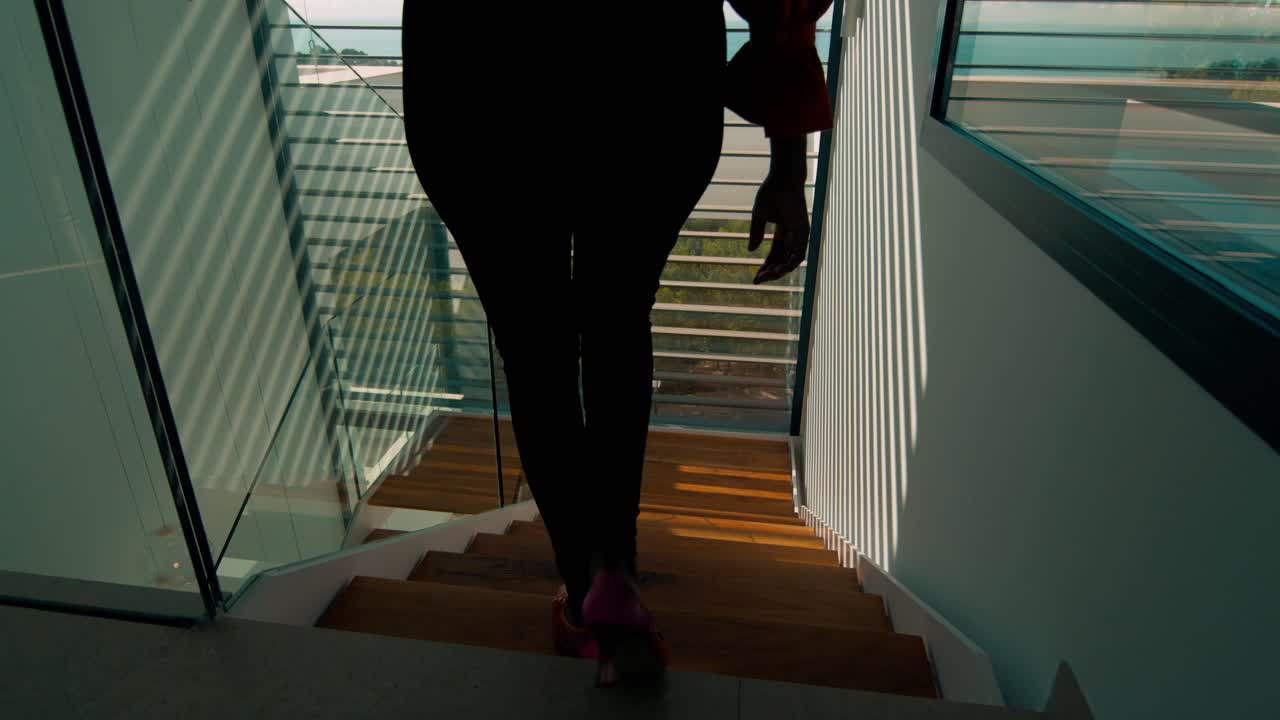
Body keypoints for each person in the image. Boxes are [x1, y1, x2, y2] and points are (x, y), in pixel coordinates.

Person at [401, 0, 833, 687]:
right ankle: (615, 569)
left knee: (536, 354)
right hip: (650, 76)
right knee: (617, 323)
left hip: (474, 83)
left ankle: (588, 586)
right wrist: (787, 167)